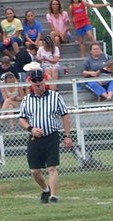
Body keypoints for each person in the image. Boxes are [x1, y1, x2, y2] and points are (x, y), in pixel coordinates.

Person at [18, 68, 74, 204]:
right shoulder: (27, 100)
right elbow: (21, 119)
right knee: (34, 171)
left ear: (44, 81)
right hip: (35, 138)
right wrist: (31, 129)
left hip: (51, 136)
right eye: (35, 81)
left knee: (52, 167)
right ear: (31, 83)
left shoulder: (55, 97)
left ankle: (53, 196)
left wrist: (67, 136)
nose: (38, 84)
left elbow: (65, 116)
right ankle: (45, 189)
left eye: (40, 80)